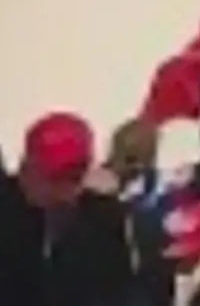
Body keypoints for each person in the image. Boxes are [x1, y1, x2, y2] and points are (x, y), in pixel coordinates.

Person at [0, 112, 136, 305]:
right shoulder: (7, 206)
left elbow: (115, 291)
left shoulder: (103, 220)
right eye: (28, 167)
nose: (25, 178)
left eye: (41, 175)